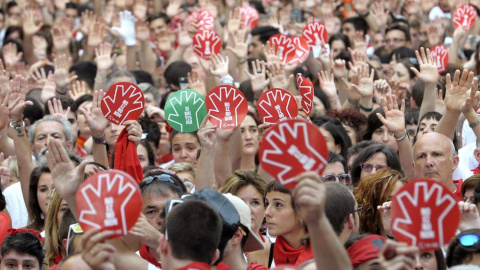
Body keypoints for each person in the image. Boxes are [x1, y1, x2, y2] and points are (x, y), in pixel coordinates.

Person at [218, 170, 271, 266]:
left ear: (265, 209)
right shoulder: (216, 249)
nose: (248, 209)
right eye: (240, 202)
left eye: (255, 202)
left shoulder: (279, 249)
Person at [264, 181, 313, 266]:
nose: (267, 212)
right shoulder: (263, 252)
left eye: (278, 205)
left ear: (302, 212)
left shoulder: (323, 253)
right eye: (267, 203)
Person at [354, 169, 405, 237]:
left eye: (402, 200)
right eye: (388, 200)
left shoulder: (416, 240)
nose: (396, 206)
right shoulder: (360, 243)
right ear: (372, 208)